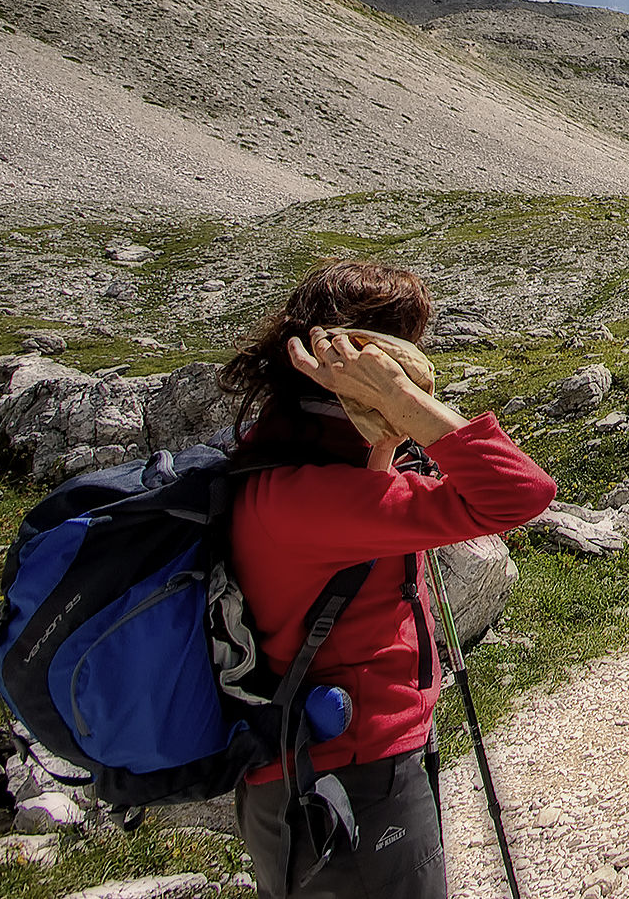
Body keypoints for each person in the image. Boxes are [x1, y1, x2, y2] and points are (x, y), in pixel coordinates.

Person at [218, 261, 557, 898]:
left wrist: (380, 441)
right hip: (350, 776)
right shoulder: (314, 497)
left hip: (318, 770)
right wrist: (403, 402)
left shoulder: (283, 469)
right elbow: (519, 492)